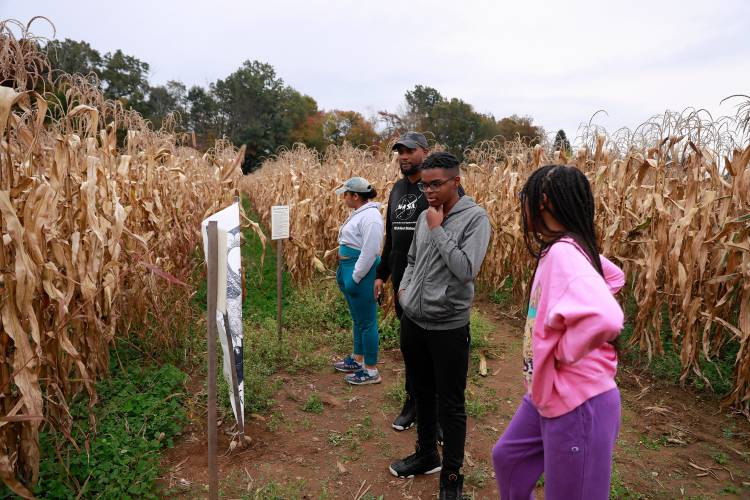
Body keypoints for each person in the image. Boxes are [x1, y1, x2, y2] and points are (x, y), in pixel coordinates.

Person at [491, 165, 625, 500]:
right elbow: (613, 275)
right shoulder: (568, 248)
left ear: (542, 202)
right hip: (546, 393)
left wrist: (563, 352)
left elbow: (607, 317)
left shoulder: (565, 253)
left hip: (577, 400)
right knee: (509, 458)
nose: (521, 206)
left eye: (525, 197)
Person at [388, 152, 491, 500]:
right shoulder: (424, 215)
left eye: (435, 184)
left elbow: (465, 269)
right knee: (421, 392)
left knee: (451, 403)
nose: (427, 190)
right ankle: (427, 453)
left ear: (455, 182)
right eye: (425, 184)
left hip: (448, 326)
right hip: (414, 320)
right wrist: (403, 291)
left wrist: (437, 229)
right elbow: (414, 259)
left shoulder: (476, 220)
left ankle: (451, 477)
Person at [375, 131, 463, 438]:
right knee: (411, 349)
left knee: (435, 353)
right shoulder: (398, 190)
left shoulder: (443, 192)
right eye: (399, 151)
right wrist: (381, 274)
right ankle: (413, 402)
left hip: (435, 285)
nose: (403, 156)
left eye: (409, 151)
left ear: (424, 152)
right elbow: (391, 236)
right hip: (404, 282)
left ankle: (437, 414)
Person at [333, 177, 384, 385]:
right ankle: (357, 358)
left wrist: (355, 277)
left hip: (360, 274)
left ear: (355, 196)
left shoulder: (371, 217)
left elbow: (371, 251)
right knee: (358, 319)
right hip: (349, 270)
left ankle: (371, 370)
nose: (344, 197)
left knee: (367, 321)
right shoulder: (360, 213)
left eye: (346, 194)